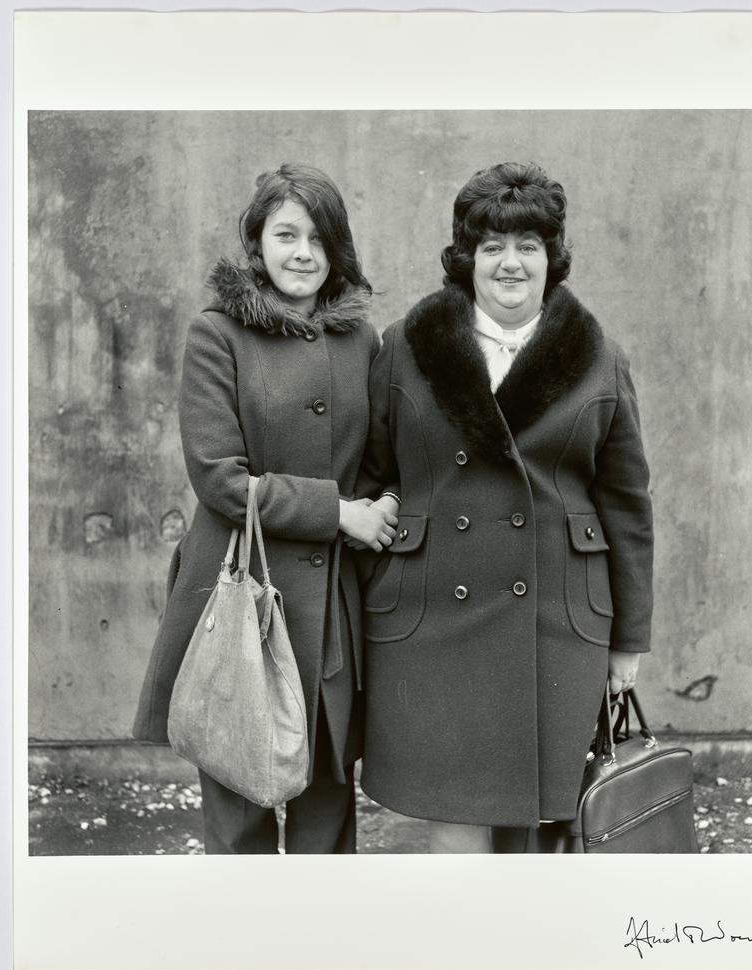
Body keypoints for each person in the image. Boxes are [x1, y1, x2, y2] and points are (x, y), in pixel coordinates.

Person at [357, 161, 654, 853]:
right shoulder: (406, 347)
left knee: (537, 837)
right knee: (453, 827)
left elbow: (627, 506)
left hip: (554, 620)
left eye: (528, 246)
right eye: (492, 247)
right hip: (432, 617)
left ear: (552, 257)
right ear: (468, 259)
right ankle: (460, 960)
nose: (510, 264)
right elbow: (375, 472)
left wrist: (629, 640)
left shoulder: (600, 357)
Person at [133, 164, 396, 853]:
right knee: (239, 806)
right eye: (286, 234)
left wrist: (385, 499)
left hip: (330, 612)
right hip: (240, 598)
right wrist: (340, 513)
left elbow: (378, 461)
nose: (302, 252)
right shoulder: (217, 334)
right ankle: (241, 954)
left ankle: (320, 956)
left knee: (327, 806)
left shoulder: (361, 341)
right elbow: (220, 478)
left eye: (318, 237)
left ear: (337, 250)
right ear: (257, 241)